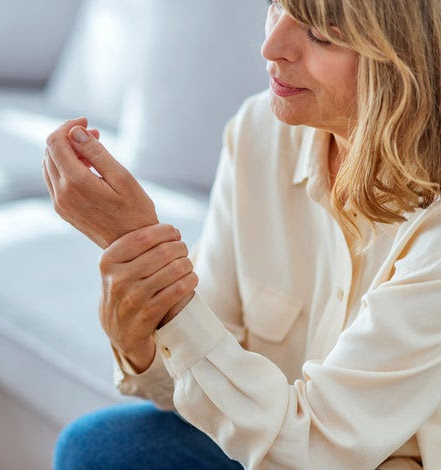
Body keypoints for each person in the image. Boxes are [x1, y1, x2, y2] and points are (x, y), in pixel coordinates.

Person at [42, 0, 441, 468]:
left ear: (407, 58)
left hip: (328, 451)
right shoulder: (258, 132)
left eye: (322, 34)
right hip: (280, 440)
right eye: (277, 6)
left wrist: (150, 259)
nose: (271, 47)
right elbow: (206, 382)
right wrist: (142, 306)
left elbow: (317, 448)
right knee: (97, 447)